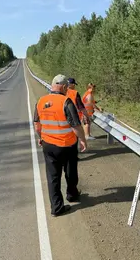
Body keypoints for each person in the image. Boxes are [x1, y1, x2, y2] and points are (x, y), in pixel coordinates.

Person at [34, 74, 88, 217]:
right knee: (70, 172)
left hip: (48, 145)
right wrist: (83, 140)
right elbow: (75, 125)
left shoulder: (41, 101)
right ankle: (72, 195)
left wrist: (41, 138)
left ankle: (56, 208)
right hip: (67, 145)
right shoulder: (66, 102)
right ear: (64, 87)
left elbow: (37, 125)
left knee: (53, 177)